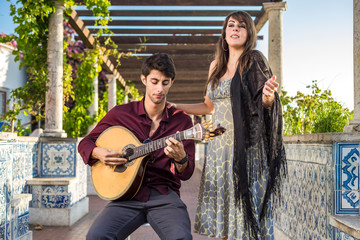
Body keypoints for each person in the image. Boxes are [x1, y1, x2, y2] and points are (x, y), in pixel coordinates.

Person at [169, 11, 287, 240]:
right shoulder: (215, 66)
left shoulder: (253, 60)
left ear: (249, 33)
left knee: (245, 217)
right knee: (225, 219)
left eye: (241, 26)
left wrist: (268, 97)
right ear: (224, 33)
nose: (235, 29)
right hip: (218, 151)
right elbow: (208, 106)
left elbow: (262, 101)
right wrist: (177, 106)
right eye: (231, 25)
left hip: (247, 151)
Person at [78, 53, 195, 240]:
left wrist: (181, 158)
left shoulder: (181, 122)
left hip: (163, 195)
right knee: (97, 236)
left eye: (165, 83)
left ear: (171, 82)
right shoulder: (121, 114)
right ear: (144, 79)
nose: (159, 89)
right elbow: (86, 142)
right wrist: (98, 152)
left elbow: (186, 173)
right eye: (154, 81)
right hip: (126, 197)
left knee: (181, 238)